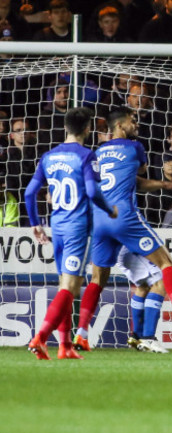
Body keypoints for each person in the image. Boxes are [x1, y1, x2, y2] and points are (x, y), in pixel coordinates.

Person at [72, 107, 172, 352]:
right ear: (121, 126)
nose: (136, 125)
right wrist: (164, 181)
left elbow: (118, 179)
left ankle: (81, 334)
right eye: (132, 121)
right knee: (166, 264)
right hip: (123, 216)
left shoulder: (97, 153)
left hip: (99, 220)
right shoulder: (135, 147)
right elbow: (139, 175)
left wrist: (164, 184)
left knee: (97, 280)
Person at [24, 107, 118, 360]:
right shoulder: (87, 156)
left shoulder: (48, 157)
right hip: (78, 229)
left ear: (65, 127)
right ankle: (40, 337)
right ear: (87, 128)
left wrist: (35, 223)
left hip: (58, 227)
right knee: (71, 288)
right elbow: (91, 191)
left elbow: (29, 193)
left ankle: (65, 347)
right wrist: (110, 210)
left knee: (65, 285)